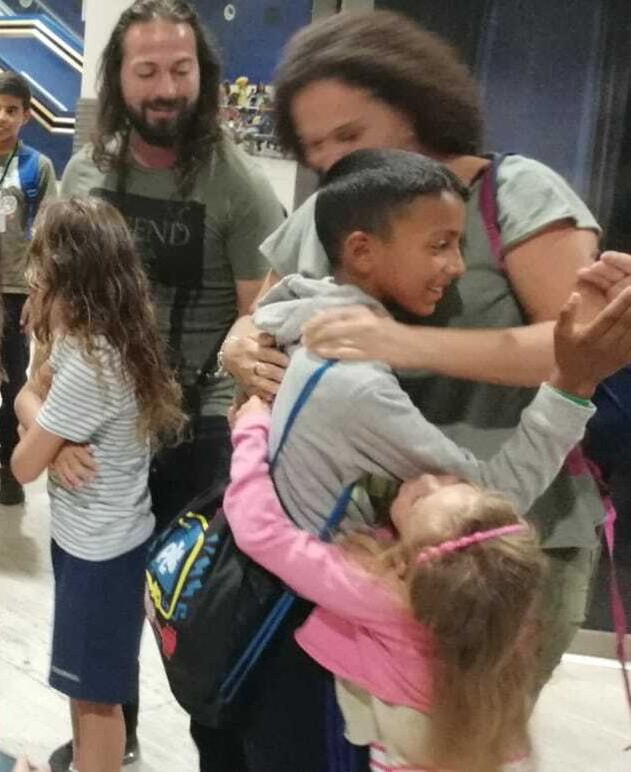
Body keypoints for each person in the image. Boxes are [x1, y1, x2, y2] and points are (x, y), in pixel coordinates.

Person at [209, 149, 626, 770]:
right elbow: (481, 507)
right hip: (325, 659)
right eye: (439, 245)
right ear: (362, 251)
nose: (457, 267)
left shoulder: (302, 322)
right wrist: (573, 383)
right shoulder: (357, 385)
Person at [220, 10, 604, 683]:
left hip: (507, 541)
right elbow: (263, 312)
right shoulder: (334, 210)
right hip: (377, 554)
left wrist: (405, 344)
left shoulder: (517, 192)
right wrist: (241, 346)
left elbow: (575, 347)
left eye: (351, 134)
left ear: (415, 107)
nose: (333, 160)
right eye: (316, 146)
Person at [53, 0, 286, 768]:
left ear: (203, 75)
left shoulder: (238, 184)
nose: (163, 88)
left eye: (179, 69)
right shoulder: (88, 172)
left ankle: (219, 751)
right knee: (102, 602)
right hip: (102, 427)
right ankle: (109, 742)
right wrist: (49, 422)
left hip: (202, 425)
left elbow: (262, 319)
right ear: (119, 80)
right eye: (146, 70)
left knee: (203, 612)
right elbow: (56, 303)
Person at [224, 397, 547, 772]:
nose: (427, 475)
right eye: (454, 481)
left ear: (406, 564)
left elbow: (261, 531)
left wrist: (251, 430)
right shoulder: (503, 609)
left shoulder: (383, 594)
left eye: (422, 498)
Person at [8, 198, 185, 772]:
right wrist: (51, 437)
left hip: (101, 553)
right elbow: (25, 397)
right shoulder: (92, 338)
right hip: (90, 539)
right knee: (84, 688)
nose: (32, 275)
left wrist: (43, 440)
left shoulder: (89, 360)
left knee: (97, 698)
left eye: (39, 262)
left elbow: (20, 466)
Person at [0, 70, 60, 507]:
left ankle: (9, 467)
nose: (1, 117)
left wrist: (37, 293)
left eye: (12, 110)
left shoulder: (37, 167)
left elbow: (48, 236)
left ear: (26, 116)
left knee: (11, 386)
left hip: (14, 292)